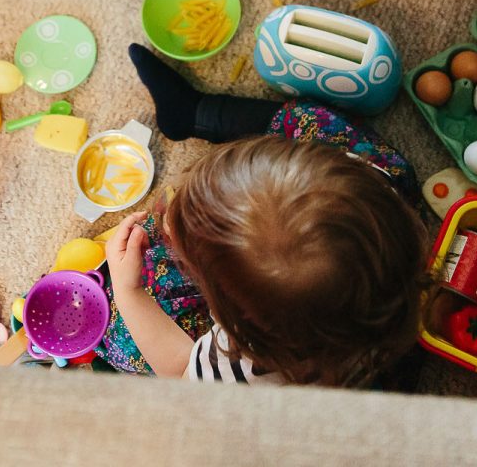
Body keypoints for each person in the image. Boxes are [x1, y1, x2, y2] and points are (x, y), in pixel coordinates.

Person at [98, 45, 428, 386]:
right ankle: (195, 111)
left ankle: (197, 112)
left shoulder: (247, 367)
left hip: (349, 372)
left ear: (238, 317)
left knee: (120, 336)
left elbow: (182, 371)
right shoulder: (368, 193)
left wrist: (129, 290)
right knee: (312, 121)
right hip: (385, 315)